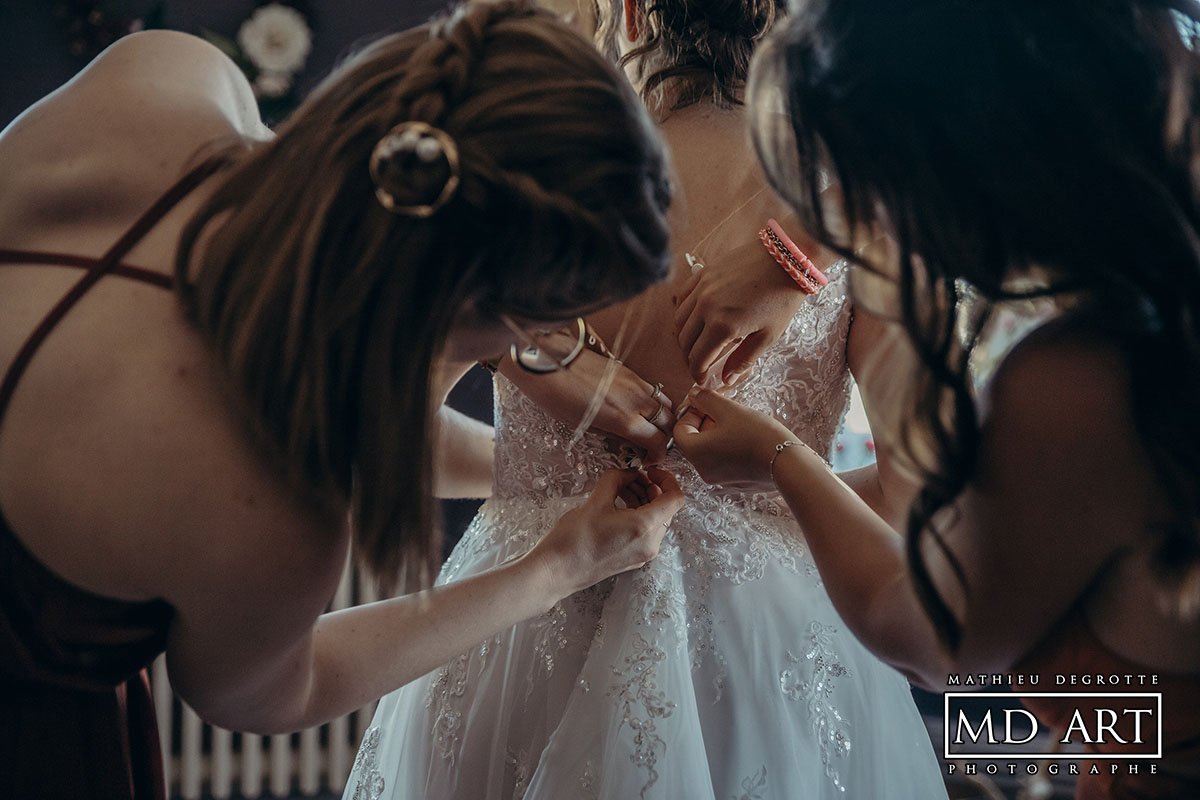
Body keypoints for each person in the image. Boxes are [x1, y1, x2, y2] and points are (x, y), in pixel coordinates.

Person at [0, 3, 689, 798]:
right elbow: (261, 693)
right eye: (542, 334)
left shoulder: (163, 79)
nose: (537, 356)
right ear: (455, 307)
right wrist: (555, 569)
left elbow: (307, 368)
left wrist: (525, 470)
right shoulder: (270, 506)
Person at [346, 1, 947, 798]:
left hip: (520, 623)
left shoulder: (522, 173)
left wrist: (534, 475)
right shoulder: (858, 216)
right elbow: (914, 503)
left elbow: (371, 435)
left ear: (628, 14)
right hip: (774, 648)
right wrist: (779, 485)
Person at [673, 1, 1200, 797]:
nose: (873, 218)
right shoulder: (1144, 306)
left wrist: (780, 457)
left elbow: (930, 636)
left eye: (869, 177)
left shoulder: (1077, 377)